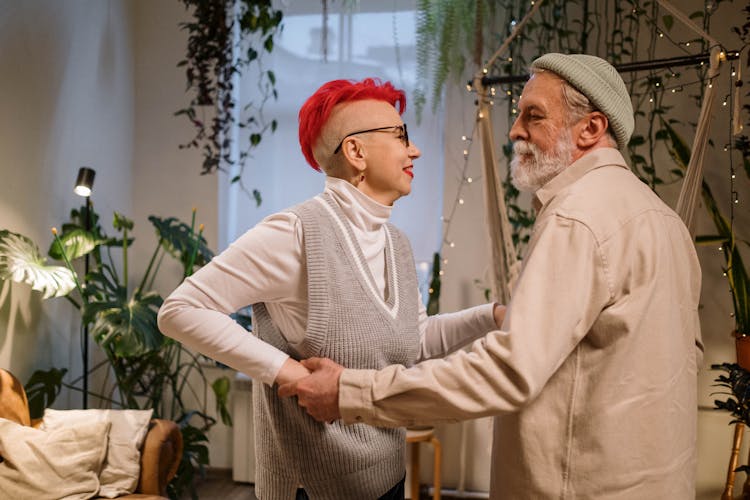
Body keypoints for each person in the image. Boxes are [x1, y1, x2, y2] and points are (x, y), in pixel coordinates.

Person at [280, 54, 704, 499]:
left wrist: (351, 392)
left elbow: (507, 370)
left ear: (591, 129)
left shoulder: (578, 219)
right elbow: (680, 357)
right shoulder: (664, 221)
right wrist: (499, 316)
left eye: (533, 116)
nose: (515, 129)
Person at [157, 77, 505, 500]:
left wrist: (491, 316)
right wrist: (290, 374)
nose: (415, 150)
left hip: (388, 476)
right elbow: (181, 310)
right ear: (355, 151)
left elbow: (414, 342)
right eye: (401, 136)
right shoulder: (295, 233)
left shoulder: (396, 244)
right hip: (315, 487)